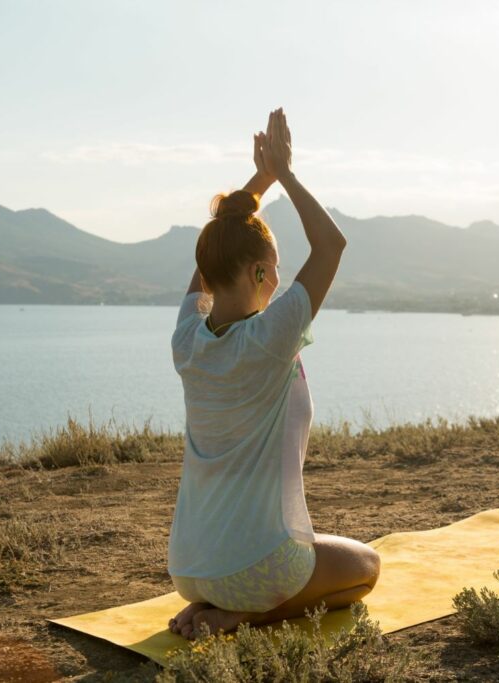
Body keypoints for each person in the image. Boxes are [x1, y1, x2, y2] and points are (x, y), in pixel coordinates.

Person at [166, 108, 381, 640]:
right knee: (365, 568)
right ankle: (246, 614)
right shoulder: (270, 337)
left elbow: (210, 257)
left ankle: (213, 606)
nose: (281, 279)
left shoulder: (187, 341)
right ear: (261, 273)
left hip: (187, 570)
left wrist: (255, 188)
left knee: (307, 553)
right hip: (254, 570)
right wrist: (282, 172)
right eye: (276, 268)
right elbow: (332, 245)